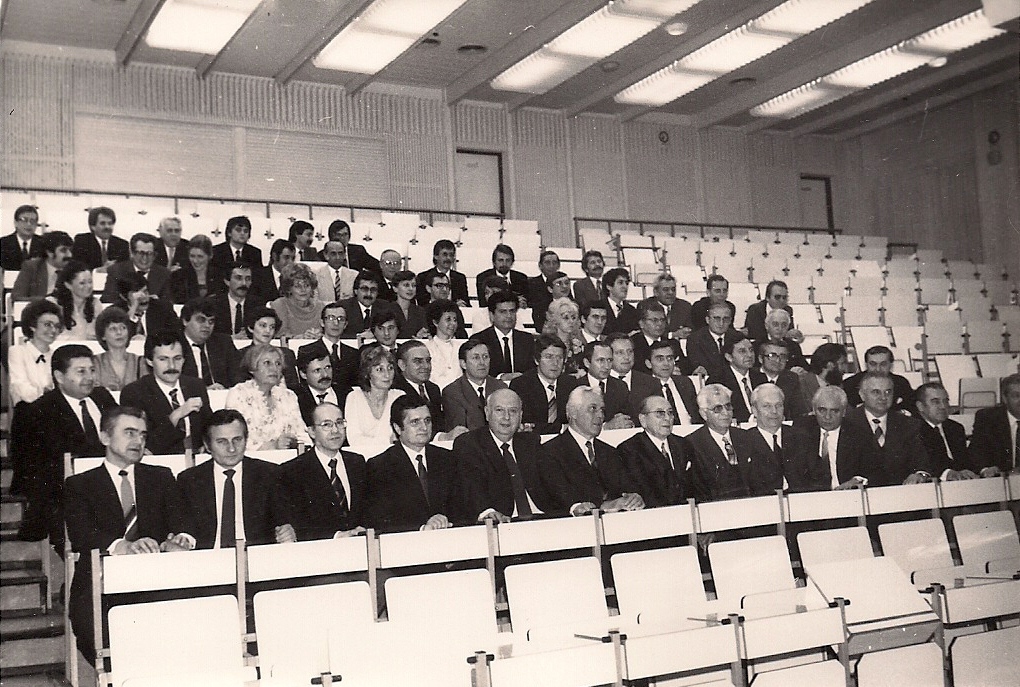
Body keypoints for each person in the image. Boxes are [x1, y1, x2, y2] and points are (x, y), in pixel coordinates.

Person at [64, 406, 195, 662]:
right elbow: (81, 535)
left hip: (157, 581)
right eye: (129, 433)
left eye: (143, 435)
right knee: (103, 641)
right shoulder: (80, 484)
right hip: (102, 582)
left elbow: (184, 523)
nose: (138, 441)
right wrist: (122, 546)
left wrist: (181, 539)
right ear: (105, 437)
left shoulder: (161, 477)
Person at [19, 345, 118, 544]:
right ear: (60, 376)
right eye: (81, 371)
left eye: (92, 370)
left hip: (112, 488)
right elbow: (36, 471)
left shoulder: (102, 397)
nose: (89, 377)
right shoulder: (40, 411)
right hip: (67, 497)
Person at [177, 409, 295, 548]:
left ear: (246, 440)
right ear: (208, 445)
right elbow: (186, 530)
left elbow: (283, 521)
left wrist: (287, 532)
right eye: (222, 442)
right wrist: (184, 541)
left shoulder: (269, 474)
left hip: (258, 555)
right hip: (209, 557)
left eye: (237, 440)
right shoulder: (190, 480)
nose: (232, 449)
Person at [537, 387, 645, 516]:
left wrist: (634, 498)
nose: (600, 416)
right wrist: (604, 506)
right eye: (593, 408)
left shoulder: (610, 451)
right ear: (573, 412)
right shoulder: (550, 451)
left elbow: (627, 487)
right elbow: (563, 497)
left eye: (602, 410)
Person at [364, 396, 464, 532]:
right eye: (415, 422)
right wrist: (422, 528)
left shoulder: (448, 458)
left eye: (427, 420)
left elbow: (462, 506)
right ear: (398, 428)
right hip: (407, 541)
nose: (424, 427)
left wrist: (443, 520)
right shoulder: (380, 466)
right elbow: (380, 518)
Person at [453, 389, 553, 522]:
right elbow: (471, 485)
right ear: (487, 413)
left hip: (541, 516)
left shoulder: (530, 441)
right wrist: (487, 512)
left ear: (521, 415)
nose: (506, 417)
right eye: (499, 410)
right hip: (502, 519)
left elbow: (554, 480)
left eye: (513, 411)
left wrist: (573, 505)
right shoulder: (469, 443)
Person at [281, 402, 368, 540]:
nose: (335, 430)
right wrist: (337, 536)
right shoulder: (293, 471)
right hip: (321, 549)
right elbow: (298, 524)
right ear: (311, 431)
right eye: (326, 425)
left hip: (362, 545)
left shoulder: (357, 462)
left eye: (339, 423)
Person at [686, 384, 783, 501]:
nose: (726, 413)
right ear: (704, 414)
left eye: (728, 406)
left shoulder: (747, 437)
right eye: (718, 408)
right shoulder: (692, 444)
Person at [120, 331, 211, 455]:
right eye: (163, 359)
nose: (172, 366)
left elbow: (209, 427)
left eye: (177, 358)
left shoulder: (196, 386)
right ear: (149, 361)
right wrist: (176, 416)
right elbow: (145, 444)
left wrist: (207, 445)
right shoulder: (134, 393)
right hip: (159, 461)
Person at [7, 299, 62, 495]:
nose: (53, 330)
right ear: (32, 325)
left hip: (52, 414)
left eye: (56, 326)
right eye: (47, 324)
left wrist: (47, 393)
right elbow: (21, 388)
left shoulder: (58, 356)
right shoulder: (18, 351)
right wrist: (46, 393)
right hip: (28, 415)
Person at [841, 372, 933, 486]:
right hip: (861, 492)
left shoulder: (909, 424)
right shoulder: (846, 423)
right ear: (862, 395)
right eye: (876, 392)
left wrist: (919, 475)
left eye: (888, 392)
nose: (883, 397)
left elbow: (922, 464)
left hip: (902, 491)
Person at [226, 345, 306, 450]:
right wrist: (272, 446)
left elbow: (301, 433)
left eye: (278, 364)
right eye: (267, 363)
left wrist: (293, 442)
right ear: (252, 368)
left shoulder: (289, 396)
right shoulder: (238, 393)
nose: (274, 369)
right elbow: (234, 437)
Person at [617, 395, 691, 508]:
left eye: (670, 413)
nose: (667, 418)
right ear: (643, 420)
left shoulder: (683, 444)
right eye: (660, 413)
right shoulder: (629, 449)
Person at [747, 383, 813, 491]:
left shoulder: (801, 437)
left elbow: (819, 477)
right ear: (754, 410)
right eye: (767, 406)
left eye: (778, 405)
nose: (774, 411)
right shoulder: (745, 442)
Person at [790, 386, 857, 491]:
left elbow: (869, 470)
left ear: (844, 412)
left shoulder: (856, 434)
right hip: (811, 495)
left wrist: (855, 480)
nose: (827, 417)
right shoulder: (801, 429)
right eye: (822, 410)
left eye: (834, 411)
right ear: (813, 410)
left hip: (846, 493)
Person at [508, 334, 579, 434]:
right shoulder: (521, 385)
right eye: (549, 357)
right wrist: (562, 428)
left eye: (559, 357)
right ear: (537, 360)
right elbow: (526, 426)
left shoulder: (571, 384)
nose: (555, 363)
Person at [441, 338, 507, 433]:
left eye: (485, 357)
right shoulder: (452, 392)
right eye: (476, 358)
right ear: (463, 364)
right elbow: (460, 430)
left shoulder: (500, 387)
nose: (482, 362)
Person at [344, 344, 405, 447]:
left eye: (390, 368)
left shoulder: (399, 396)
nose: (387, 375)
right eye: (380, 369)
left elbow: (404, 437)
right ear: (367, 373)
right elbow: (354, 440)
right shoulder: (354, 397)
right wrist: (388, 442)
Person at [914, 382, 977, 481]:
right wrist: (947, 474)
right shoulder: (913, 430)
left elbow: (965, 461)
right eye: (936, 402)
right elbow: (924, 464)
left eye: (946, 401)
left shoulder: (955, 428)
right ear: (920, 406)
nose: (943, 406)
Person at [179, 297, 239, 389]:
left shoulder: (223, 343)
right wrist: (204, 390)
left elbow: (238, 375)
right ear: (185, 321)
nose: (207, 325)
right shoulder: (175, 346)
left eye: (211, 321)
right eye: (201, 320)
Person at [475, 289, 535, 380]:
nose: (509, 316)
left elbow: (532, 371)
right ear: (491, 315)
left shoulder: (527, 339)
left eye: (512, 311)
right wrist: (501, 377)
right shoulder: (480, 340)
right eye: (503, 312)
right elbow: (476, 371)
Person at [969, 373, 1020, 475]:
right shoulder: (987, 418)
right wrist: (985, 469)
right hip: (998, 479)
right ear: (1005, 398)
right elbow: (976, 452)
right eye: (1016, 396)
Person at [234, 308, 299, 388]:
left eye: (272, 327)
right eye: (263, 326)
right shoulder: (240, 355)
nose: (268, 330)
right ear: (250, 328)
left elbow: (294, 386)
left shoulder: (286, 354)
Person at [298, 302, 359, 387]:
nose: (336, 323)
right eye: (331, 318)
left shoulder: (354, 353)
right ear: (322, 322)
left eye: (341, 319)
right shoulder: (307, 350)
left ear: (345, 324)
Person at [644, 338, 703, 425]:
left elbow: (697, 416)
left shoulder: (685, 382)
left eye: (669, 358)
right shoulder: (644, 388)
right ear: (649, 363)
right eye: (660, 359)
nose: (666, 363)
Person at [842, 346, 915, 414]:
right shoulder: (850, 385)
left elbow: (911, 410)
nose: (878, 369)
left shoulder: (901, 384)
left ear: (891, 365)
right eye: (873, 364)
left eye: (883, 364)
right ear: (866, 364)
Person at [108, 271, 181, 340]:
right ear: (123, 297)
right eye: (137, 293)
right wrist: (133, 309)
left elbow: (177, 334)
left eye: (145, 291)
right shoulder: (114, 312)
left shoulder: (163, 308)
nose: (143, 297)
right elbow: (116, 337)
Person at [291, 345, 353, 426]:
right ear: (303, 374)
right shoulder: (294, 398)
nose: (325, 375)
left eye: (328, 367)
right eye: (317, 370)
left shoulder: (347, 394)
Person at [101, 232, 171, 303]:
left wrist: (155, 302)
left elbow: (168, 303)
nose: (145, 258)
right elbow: (107, 300)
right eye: (140, 253)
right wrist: (130, 300)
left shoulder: (164, 274)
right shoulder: (116, 271)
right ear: (132, 253)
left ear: (154, 255)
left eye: (149, 253)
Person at [393, 340, 445, 432]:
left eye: (428, 361)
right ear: (402, 365)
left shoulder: (433, 389)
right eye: (418, 361)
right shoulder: (396, 391)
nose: (426, 366)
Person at [580, 340, 633, 429]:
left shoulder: (620, 386)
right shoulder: (576, 386)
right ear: (587, 363)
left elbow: (628, 416)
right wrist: (605, 427)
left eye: (609, 360)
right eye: (601, 360)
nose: (607, 366)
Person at [752, 340, 809, 420]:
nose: (778, 360)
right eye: (772, 356)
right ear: (761, 359)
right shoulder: (751, 377)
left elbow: (799, 411)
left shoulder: (791, 378)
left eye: (783, 356)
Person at [630, 300, 691, 375]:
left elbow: (685, 368)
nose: (660, 324)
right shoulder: (633, 344)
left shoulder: (673, 343)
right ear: (641, 323)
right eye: (654, 320)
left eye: (662, 320)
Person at [708, 333, 757, 423]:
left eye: (751, 350)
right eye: (742, 351)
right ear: (729, 357)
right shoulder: (718, 381)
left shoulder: (760, 377)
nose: (749, 355)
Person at [94, 307, 145, 391]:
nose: (119, 332)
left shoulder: (139, 361)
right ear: (103, 335)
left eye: (123, 328)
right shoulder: (95, 362)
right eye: (113, 329)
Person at [11, 231, 72, 300]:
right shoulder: (32, 267)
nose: (70, 255)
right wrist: (45, 300)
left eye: (70, 250)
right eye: (63, 250)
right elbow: (17, 297)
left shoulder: (74, 269)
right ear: (50, 253)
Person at [49, 260, 102, 340]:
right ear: (68, 285)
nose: (88, 286)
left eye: (90, 282)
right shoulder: (53, 304)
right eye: (82, 283)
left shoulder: (95, 304)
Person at [271, 262, 325, 339]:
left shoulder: (321, 307)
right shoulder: (279, 305)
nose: (303, 290)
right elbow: (280, 334)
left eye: (307, 285)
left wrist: (320, 336)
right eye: (297, 286)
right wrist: (301, 337)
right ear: (289, 288)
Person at [168, 234, 226, 304]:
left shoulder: (219, 275)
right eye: (192, 256)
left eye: (200, 256)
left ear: (210, 256)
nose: (195, 261)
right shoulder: (178, 276)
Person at [687, 302, 738, 380]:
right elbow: (700, 367)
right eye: (717, 318)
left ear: (730, 320)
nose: (721, 323)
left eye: (726, 319)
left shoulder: (737, 337)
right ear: (707, 320)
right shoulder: (695, 339)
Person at [424, 299, 465, 390]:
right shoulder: (426, 348)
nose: (453, 323)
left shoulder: (461, 346)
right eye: (448, 319)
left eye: (455, 320)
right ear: (435, 322)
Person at [71, 206, 129, 271]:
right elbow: (76, 269)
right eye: (102, 223)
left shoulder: (122, 245)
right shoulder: (82, 242)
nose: (107, 227)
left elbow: (126, 271)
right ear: (93, 226)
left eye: (110, 223)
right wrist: (97, 271)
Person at [415, 239, 469, 307]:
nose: (448, 258)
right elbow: (422, 305)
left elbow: (466, 303)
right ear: (435, 256)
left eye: (451, 255)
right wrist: (452, 306)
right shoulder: (423, 277)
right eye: (445, 254)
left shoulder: (460, 278)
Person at [640, 273, 692, 339]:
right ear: (656, 292)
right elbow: (645, 332)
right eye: (666, 289)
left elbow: (691, 329)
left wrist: (687, 331)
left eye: (673, 289)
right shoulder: (646, 305)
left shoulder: (685, 306)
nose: (671, 293)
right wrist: (672, 335)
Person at [340, 270, 390, 338]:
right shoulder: (343, 308)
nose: (369, 294)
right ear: (355, 291)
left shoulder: (386, 308)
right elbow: (335, 334)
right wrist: (359, 337)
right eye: (364, 289)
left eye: (373, 290)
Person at [542, 296, 586, 375]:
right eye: (566, 318)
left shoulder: (578, 345)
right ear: (555, 319)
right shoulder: (546, 344)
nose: (571, 321)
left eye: (573, 318)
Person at [210, 262, 255, 337]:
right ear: (227, 281)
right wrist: (231, 338)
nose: (244, 283)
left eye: (248, 279)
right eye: (239, 278)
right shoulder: (214, 304)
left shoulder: (257, 305)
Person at [799, 342, 849, 407]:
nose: (845, 369)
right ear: (829, 365)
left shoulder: (838, 387)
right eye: (842, 363)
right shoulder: (801, 385)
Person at [252, 238, 296, 304]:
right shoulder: (258, 276)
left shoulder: (295, 278)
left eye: (293, 258)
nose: (290, 262)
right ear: (274, 256)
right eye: (286, 257)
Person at [314, 239, 358, 303]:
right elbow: (314, 301)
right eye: (333, 254)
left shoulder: (354, 275)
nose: (338, 257)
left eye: (340, 253)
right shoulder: (316, 276)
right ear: (326, 255)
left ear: (344, 255)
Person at [1, 204, 42, 271]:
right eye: (24, 220)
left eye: (32, 221)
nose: (29, 224)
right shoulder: (3, 243)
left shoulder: (43, 243)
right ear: (15, 223)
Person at [599, 267, 639, 335]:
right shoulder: (598, 307)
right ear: (609, 286)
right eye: (620, 283)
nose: (625, 286)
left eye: (626, 283)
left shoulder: (632, 311)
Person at [527, 250, 561, 329]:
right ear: (540, 265)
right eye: (547, 263)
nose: (551, 266)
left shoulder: (563, 283)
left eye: (554, 262)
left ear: (558, 265)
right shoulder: (531, 283)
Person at [390, 269, 428, 338]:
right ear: (395, 288)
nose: (411, 289)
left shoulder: (420, 311)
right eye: (406, 285)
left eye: (414, 285)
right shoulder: (387, 309)